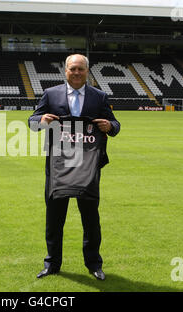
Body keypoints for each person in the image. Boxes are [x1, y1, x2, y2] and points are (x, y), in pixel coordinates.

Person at [28, 54, 120, 280]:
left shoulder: (99, 97)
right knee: (54, 219)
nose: (77, 73)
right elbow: (32, 121)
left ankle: (94, 264)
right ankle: (52, 264)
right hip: (58, 166)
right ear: (65, 71)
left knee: (90, 219)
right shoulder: (51, 94)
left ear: (87, 71)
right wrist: (41, 122)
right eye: (73, 69)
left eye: (81, 69)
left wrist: (110, 126)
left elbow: (115, 124)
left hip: (88, 167)